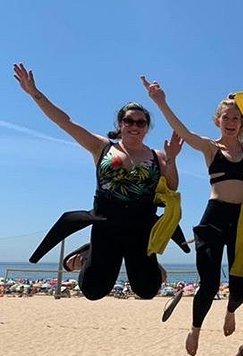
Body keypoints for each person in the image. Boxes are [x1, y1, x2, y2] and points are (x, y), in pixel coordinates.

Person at [14, 63, 183, 301]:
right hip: (106, 221)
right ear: (120, 124)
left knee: (147, 291)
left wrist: (173, 159)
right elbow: (65, 122)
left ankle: (152, 271)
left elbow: (173, 186)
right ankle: (87, 255)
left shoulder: (158, 155)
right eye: (129, 121)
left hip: (141, 224)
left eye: (140, 122)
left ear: (147, 127)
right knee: (93, 291)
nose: (134, 126)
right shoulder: (102, 147)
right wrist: (35, 94)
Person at [141, 76, 243, 356]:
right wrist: (161, 102)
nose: (231, 121)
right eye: (226, 116)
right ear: (218, 120)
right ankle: (195, 329)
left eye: (236, 117)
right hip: (214, 217)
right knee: (209, 283)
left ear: (242, 124)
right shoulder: (210, 147)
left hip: (241, 219)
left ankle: (231, 311)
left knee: (241, 286)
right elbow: (182, 130)